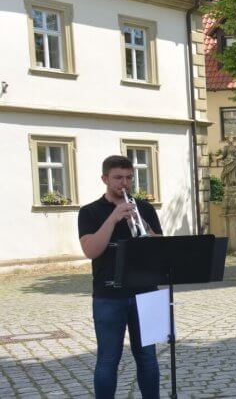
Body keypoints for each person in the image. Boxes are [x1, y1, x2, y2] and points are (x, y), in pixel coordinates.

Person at [78, 155, 162, 399]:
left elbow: (160, 250)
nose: (123, 183)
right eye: (117, 178)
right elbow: (90, 250)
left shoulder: (145, 208)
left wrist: (143, 224)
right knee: (108, 358)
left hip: (147, 292)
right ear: (105, 179)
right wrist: (113, 218)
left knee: (148, 357)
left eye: (128, 178)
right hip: (109, 295)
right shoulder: (90, 212)